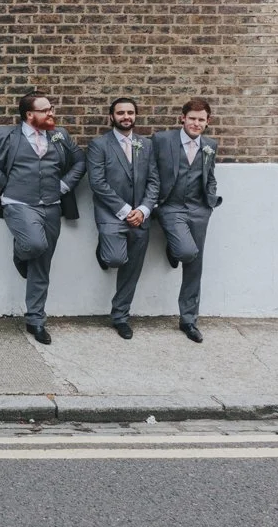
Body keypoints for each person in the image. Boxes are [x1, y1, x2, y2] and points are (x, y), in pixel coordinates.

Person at [0, 93, 85, 345]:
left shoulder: (59, 135)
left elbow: (79, 162)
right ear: (29, 115)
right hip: (18, 203)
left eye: (51, 108)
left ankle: (36, 320)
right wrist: (2, 182)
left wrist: (64, 186)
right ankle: (20, 253)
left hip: (52, 206)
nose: (51, 113)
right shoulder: (5, 135)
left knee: (42, 267)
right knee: (34, 244)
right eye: (45, 110)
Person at [87, 98, 160, 340]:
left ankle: (120, 316)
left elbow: (154, 180)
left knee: (132, 270)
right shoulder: (99, 145)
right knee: (115, 258)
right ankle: (104, 251)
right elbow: (97, 182)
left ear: (136, 115)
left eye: (130, 112)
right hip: (112, 213)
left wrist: (144, 209)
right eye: (121, 113)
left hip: (141, 216)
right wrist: (125, 209)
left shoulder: (146, 145)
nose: (126, 116)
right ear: (112, 116)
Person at [152, 98, 223, 344]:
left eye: (201, 119)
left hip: (199, 209)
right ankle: (174, 245)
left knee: (195, 264)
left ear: (207, 122)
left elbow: (210, 175)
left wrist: (210, 201)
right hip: (170, 206)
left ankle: (189, 319)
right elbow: (152, 171)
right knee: (186, 251)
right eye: (192, 118)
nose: (196, 123)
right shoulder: (162, 140)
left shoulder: (210, 145)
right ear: (182, 118)